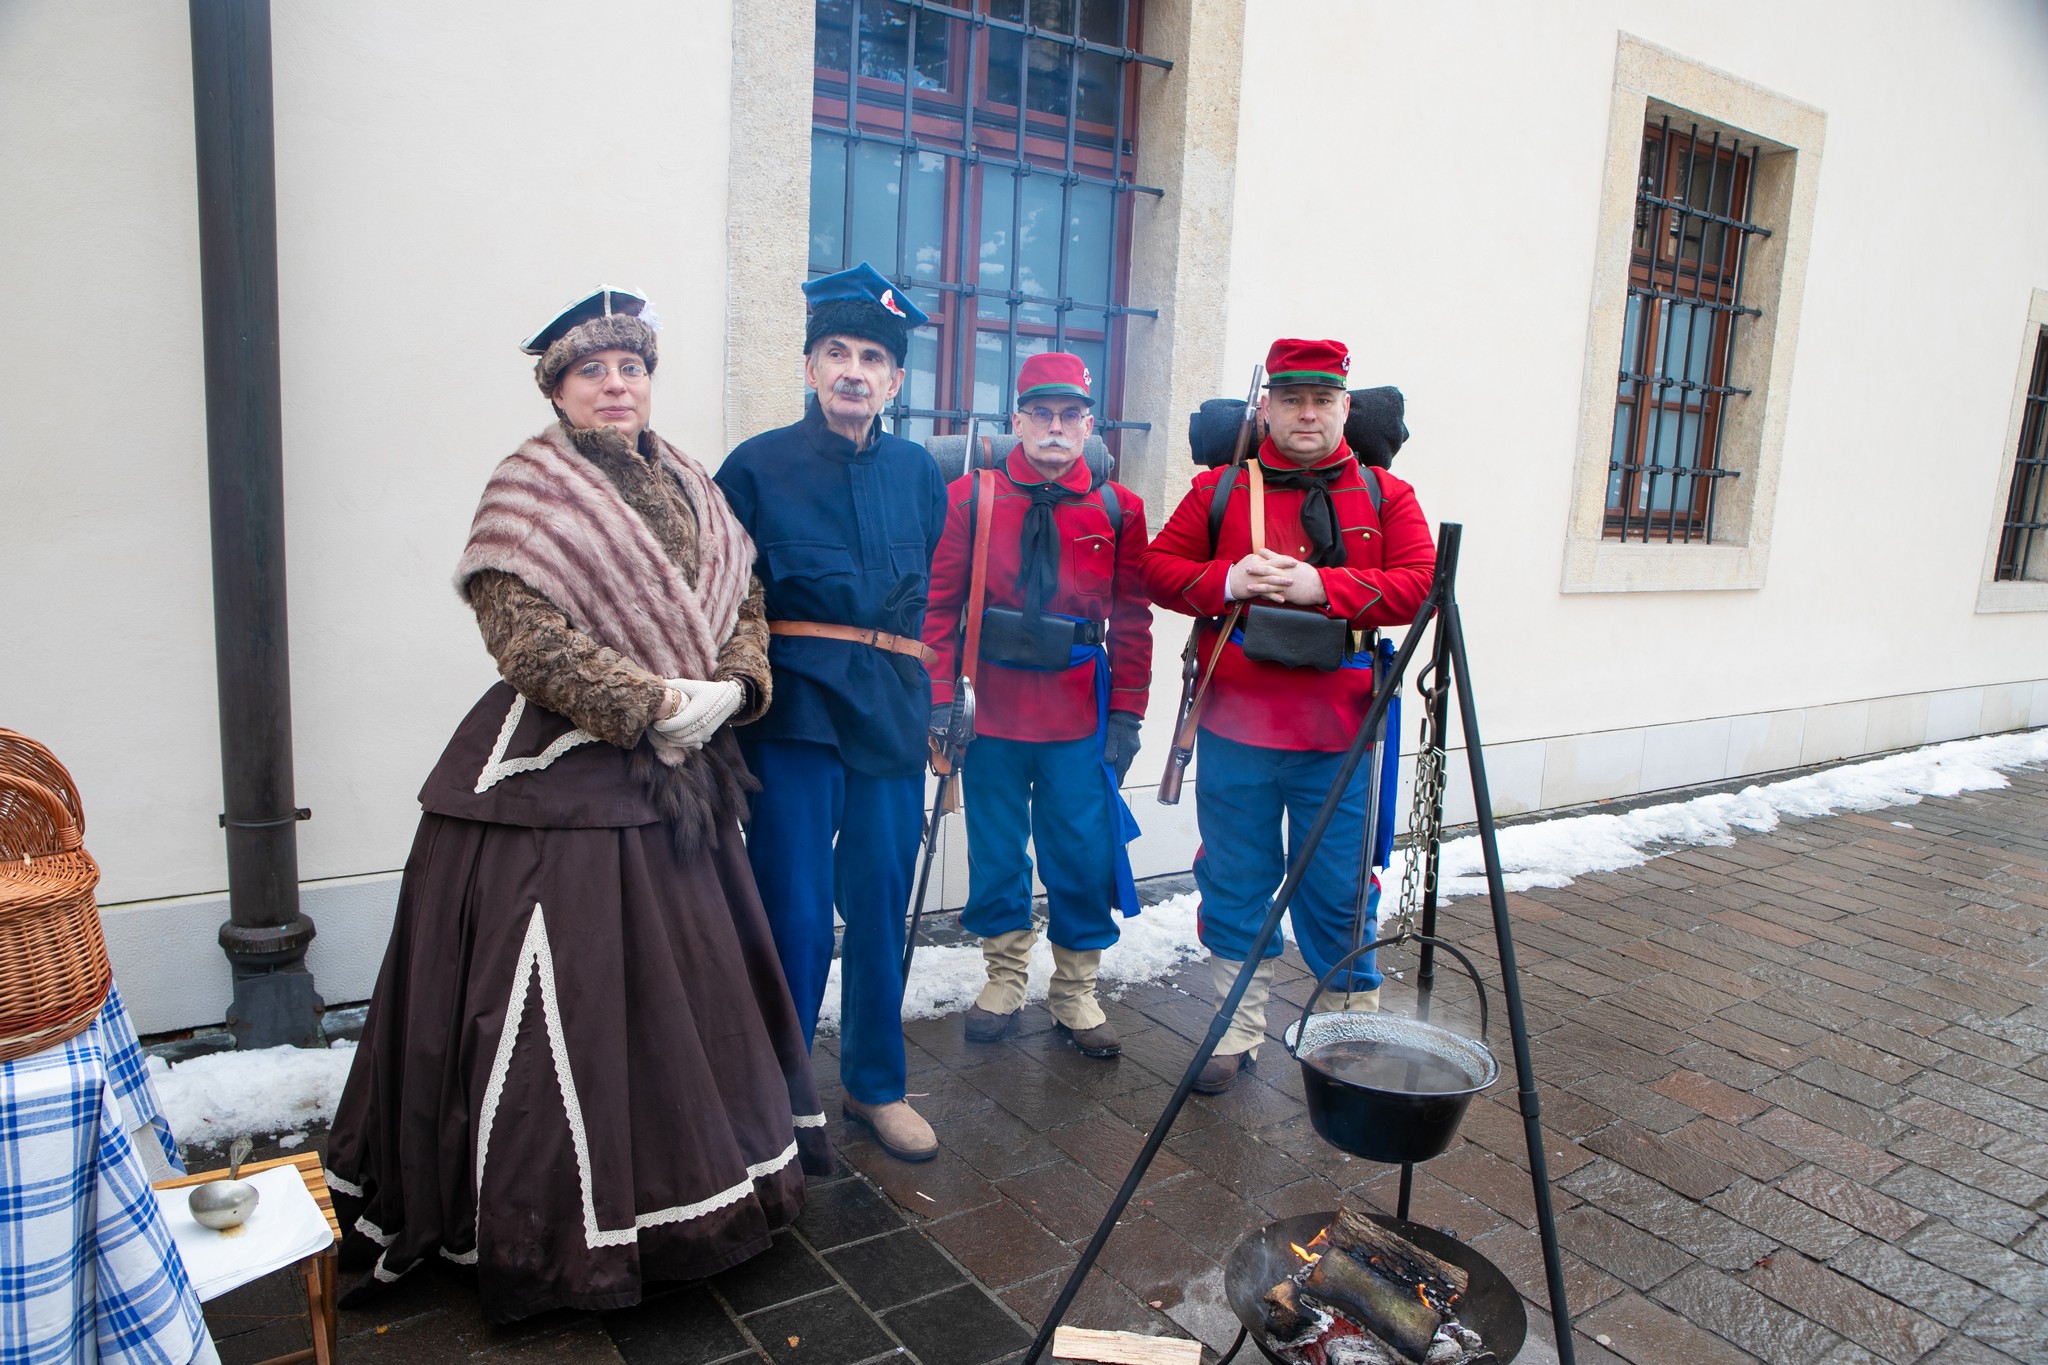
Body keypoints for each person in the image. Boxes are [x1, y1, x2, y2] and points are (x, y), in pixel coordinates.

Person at [326, 288, 832, 1321]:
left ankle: (698, 1187)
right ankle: (550, 1227)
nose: (615, 385)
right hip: (564, 770)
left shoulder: (693, 483)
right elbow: (520, 630)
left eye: (630, 368)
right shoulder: (528, 487)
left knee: (687, 985)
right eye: (592, 370)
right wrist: (649, 705)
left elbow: (744, 597)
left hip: (687, 777)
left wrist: (733, 687)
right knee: (575, 981)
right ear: (557, 388)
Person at [1139, 337, 1435, 1094]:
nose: (1308, 414)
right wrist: (1227, 578)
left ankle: (1347, 1034)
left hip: (1341, 733)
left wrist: (1322, 589)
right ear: (1266, 406)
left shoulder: (1385, 495)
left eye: (1322, 400)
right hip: (1235, 729)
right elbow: (1157, 570)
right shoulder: (1220, 489)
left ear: (1345, 406)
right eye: (1292, 399)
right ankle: (1235, 1030)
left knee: (1340, 889)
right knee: (1235, 879)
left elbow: (1421, 584)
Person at [715, 263, 948, 1163]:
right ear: (810, 366)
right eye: (838, 353)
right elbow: (721, 595)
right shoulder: (755, 466)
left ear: (895, 380)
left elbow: (925, 596)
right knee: (797, 910)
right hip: (796, 713)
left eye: (873, 358)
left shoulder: (918, 472)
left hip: (889, 711)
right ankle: (779, 1095)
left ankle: (876, 1086)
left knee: (881, 904)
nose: (854, 370)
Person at [920, 353, 1152, 1058]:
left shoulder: (1119, 508)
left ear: (1089, 424)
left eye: (1070, 415)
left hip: (1078, 710)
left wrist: (1129, 713)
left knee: (1080, 851)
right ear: (1017, 421)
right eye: (1041, 414)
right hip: (989, 707)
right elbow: (938, 609)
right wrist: (939, 701)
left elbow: (1134, 619)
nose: (1056, 427)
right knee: (996, 848)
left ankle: (1075, 989)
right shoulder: (970, 497)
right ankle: (1004, 977)